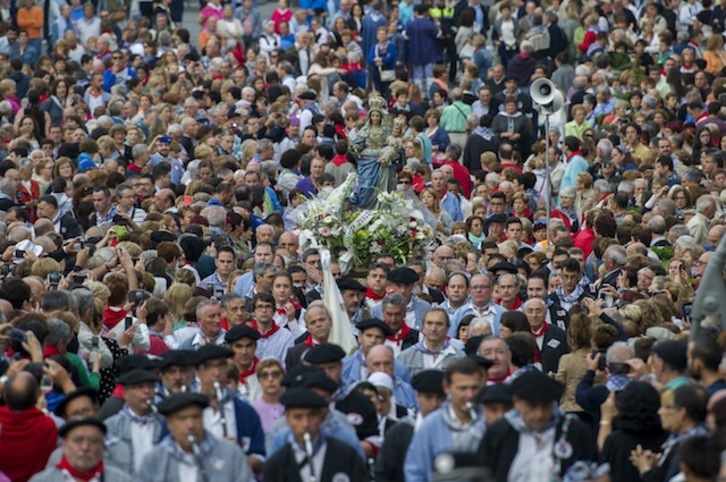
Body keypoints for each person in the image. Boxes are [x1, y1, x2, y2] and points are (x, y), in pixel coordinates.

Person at [477, 370, 598, 480]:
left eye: (545, 406)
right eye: (532, 406)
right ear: (516, 402)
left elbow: (599, 471)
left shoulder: (574, 430)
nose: (539, 414)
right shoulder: (500, 433)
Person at [404, 357, 488, 482]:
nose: (470, 395)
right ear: (447, 388)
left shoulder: (489, 422)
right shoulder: (431, 425)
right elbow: (415, 471)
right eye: (462, 388)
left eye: (474, 388)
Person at [136, 393, 252, 482]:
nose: (191, 425)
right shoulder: (154, 460)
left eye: (196, 417)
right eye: (182, 419)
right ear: (169, 423)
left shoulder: (230, 454)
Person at [263, 388, 370, 481]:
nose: (305, 424)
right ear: (288, 420)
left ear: (321, 417)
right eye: (298, 417)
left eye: (311, 416)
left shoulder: (346, 455)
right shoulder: (277, 463)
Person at [374, 370, 446, 482]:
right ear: (417, 397)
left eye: (440, 398)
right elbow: (383, 474)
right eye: (428, 397)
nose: (434, 404)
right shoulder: (399, 433)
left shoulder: (458, 430)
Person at [30, 418, 131, 482]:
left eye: (93, 440)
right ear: (64, 445)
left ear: (103, 446)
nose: (85, 447)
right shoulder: (42, 480)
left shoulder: (122, 479)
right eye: (78, 440)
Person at [349, 94, 396, 208]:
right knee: (365, 186)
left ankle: (379, 208)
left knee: (380, 187)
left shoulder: (386, 130)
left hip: (380, 161)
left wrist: (389, 151)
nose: (375, 118)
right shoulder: (365, 130)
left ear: (381, 117)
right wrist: (352, 145)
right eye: (373, 115)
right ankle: (363, 208)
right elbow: (358, 145)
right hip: (366, 161)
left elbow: (393, 145)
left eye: (377, 116)